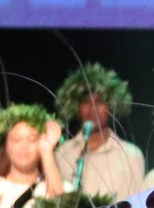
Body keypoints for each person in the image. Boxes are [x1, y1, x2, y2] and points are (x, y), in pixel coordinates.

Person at [52, 62, 147, 199]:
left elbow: (137, 205)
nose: (93, 108)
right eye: (86, 102)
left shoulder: (131, 155)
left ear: (112, 106)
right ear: (76, 107)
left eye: (100, 101)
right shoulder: (64, 152)